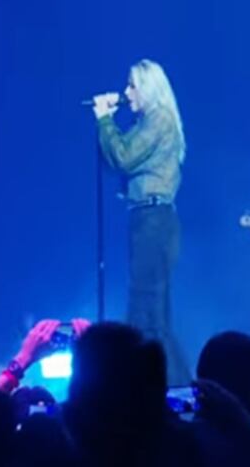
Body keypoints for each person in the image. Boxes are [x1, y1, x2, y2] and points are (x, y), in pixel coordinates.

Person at [91, 59, 189, 384]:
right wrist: (106, 125)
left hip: (154, 220)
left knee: (147, 311)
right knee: (149, 311)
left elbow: (124, 156)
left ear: (147, 87)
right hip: (147, 219)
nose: (126, 92)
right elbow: (116, 160)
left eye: (132, 85)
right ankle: (165, 384)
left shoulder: (158, 119)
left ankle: (171, 385)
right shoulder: (146, 122)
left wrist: (105, 119)